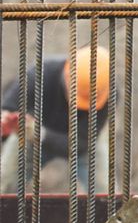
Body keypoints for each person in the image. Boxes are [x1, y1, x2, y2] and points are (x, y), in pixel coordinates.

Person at [0, 45, 108, 194]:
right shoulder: (40, 73)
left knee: (106, 195)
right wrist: (7, 123)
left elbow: (81, 143)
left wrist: (40, 134)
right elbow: (8, 107)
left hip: (80, 141)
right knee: (3, 184)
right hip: (30, 134)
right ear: (67, 74)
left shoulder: (107, 92)